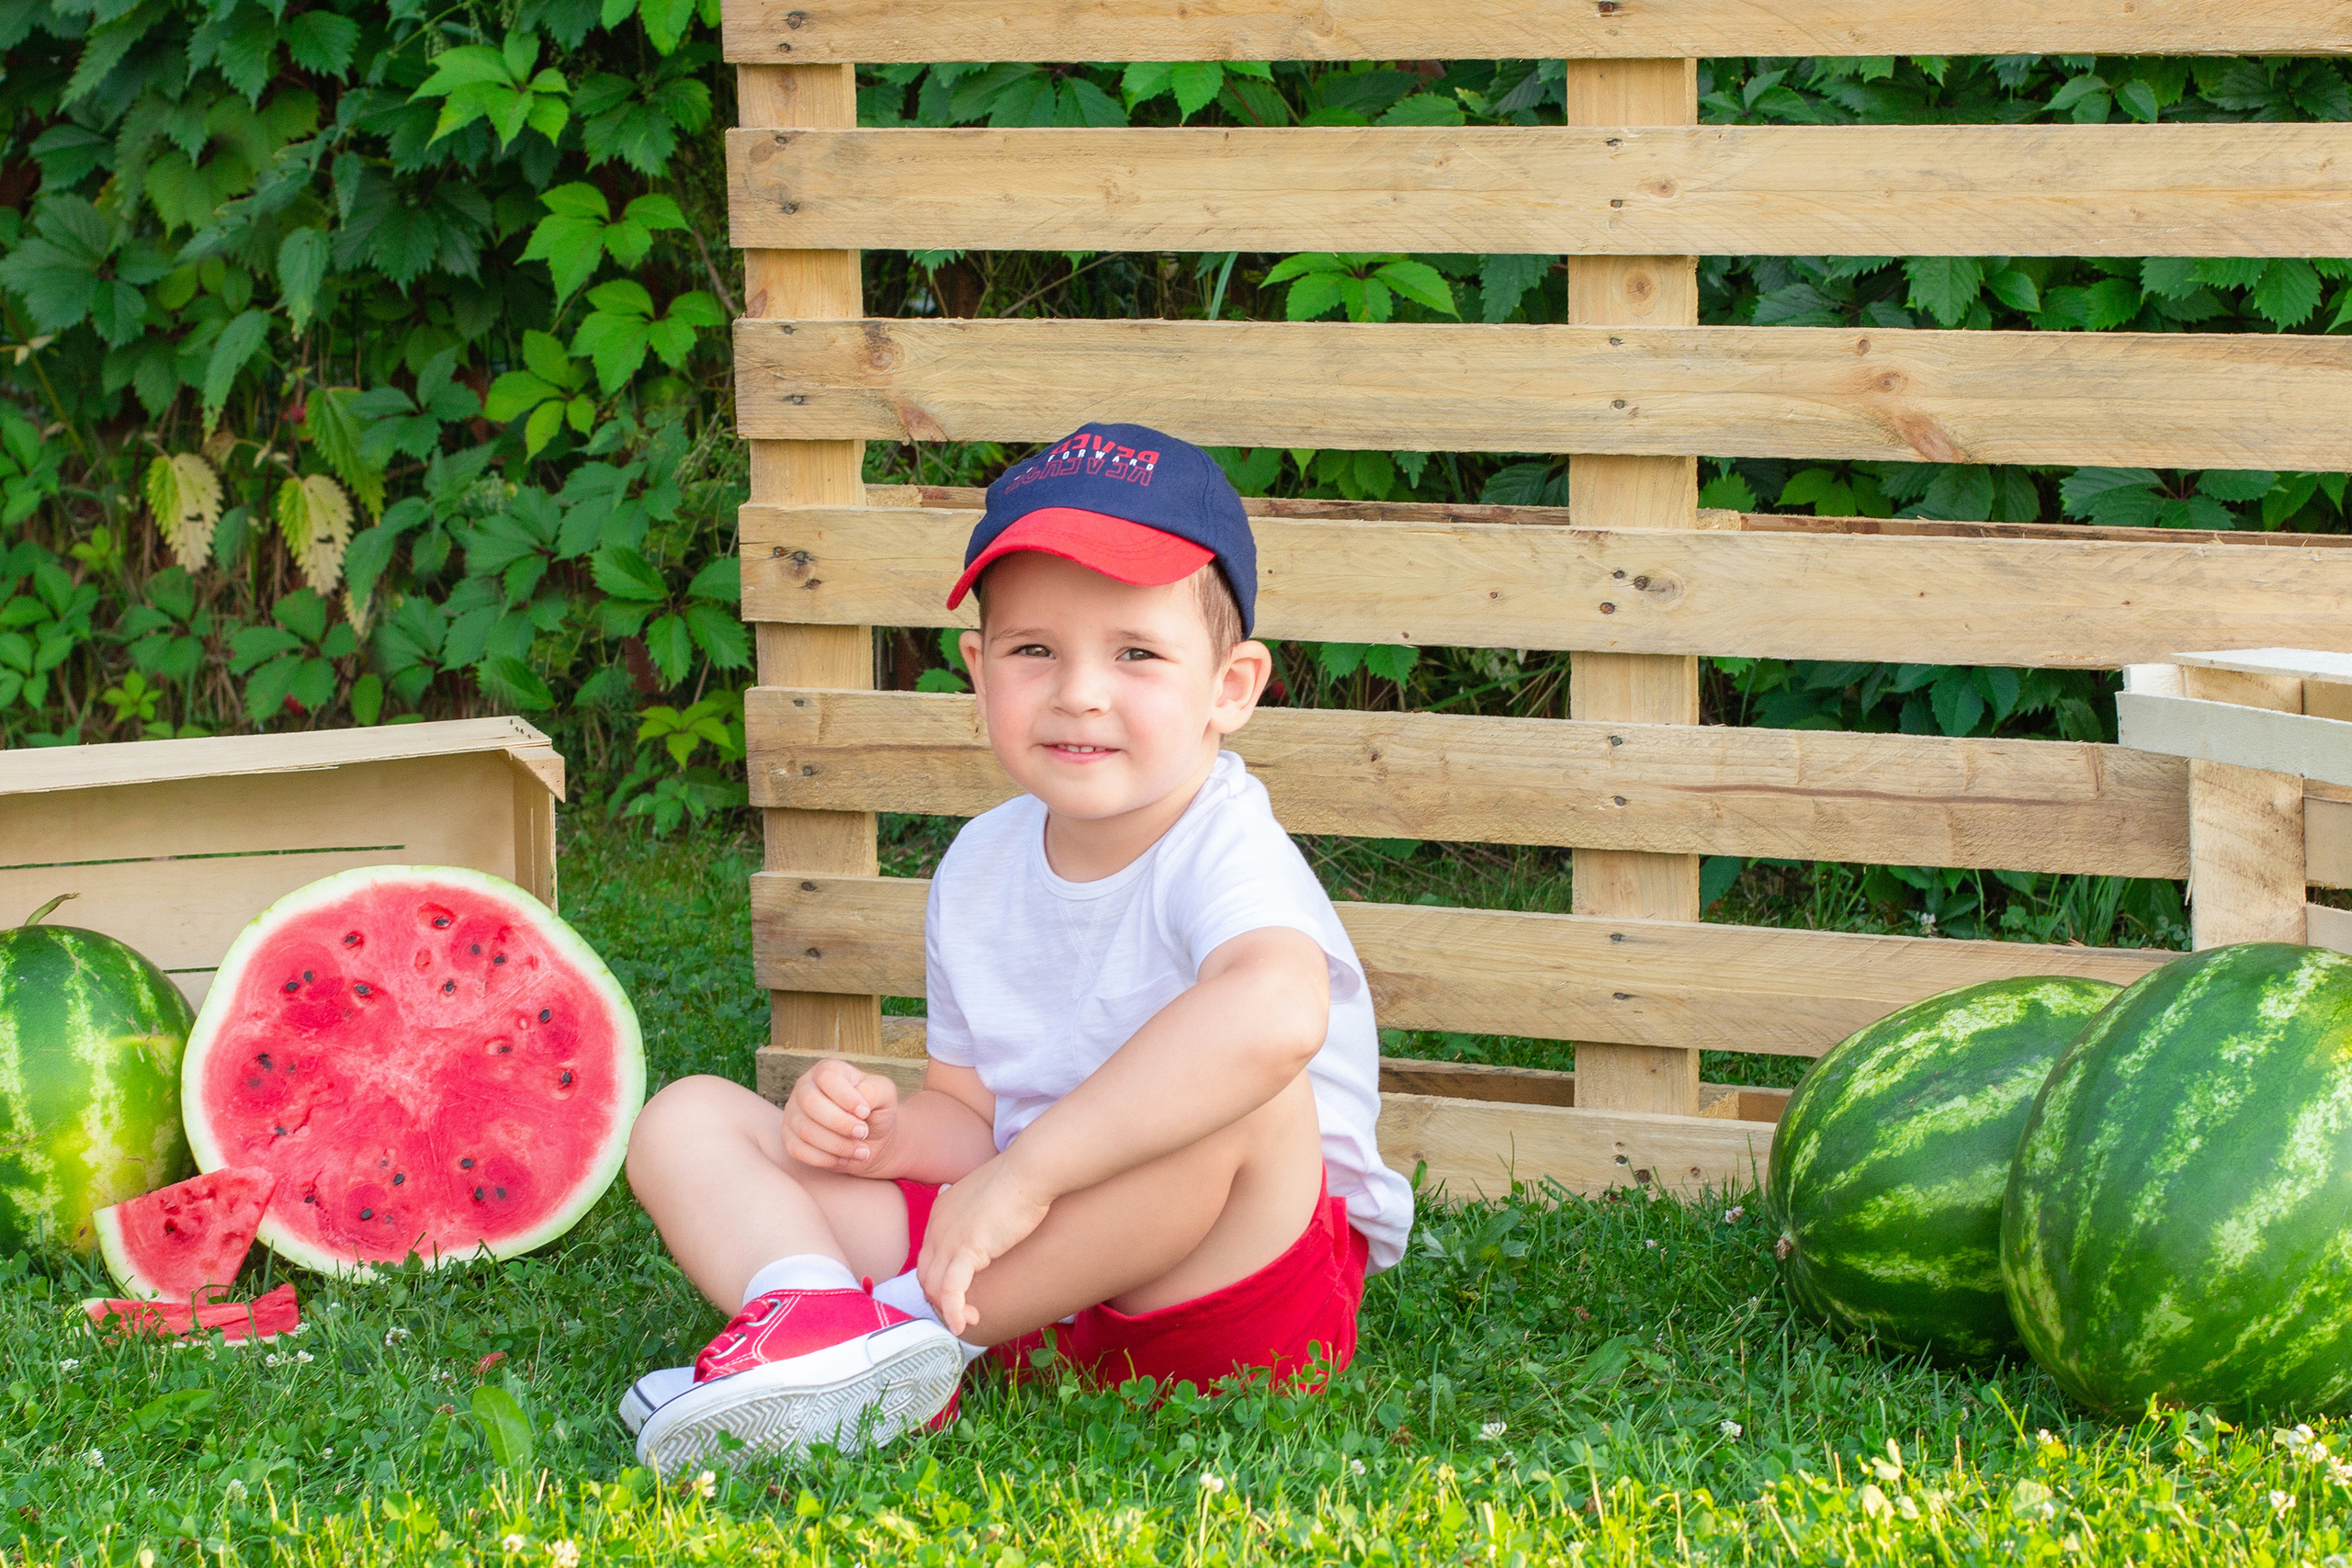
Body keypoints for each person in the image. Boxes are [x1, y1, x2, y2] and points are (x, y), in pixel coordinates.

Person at [619, 423, 1412, 1471]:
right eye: (1034, 650)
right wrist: (887, 1138)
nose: (1080, 690)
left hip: (1221, 1292)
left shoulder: (1224, 845)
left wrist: (1027, 1177)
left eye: (1136, 653)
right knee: (685, 1119)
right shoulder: (980, 864)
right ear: (977, 668)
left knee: (1255, 1090)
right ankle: (814, 1316)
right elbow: (971, 1119)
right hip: (1013, 1280)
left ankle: (903, 1333)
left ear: (1231, 686)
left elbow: (1276, 1013)